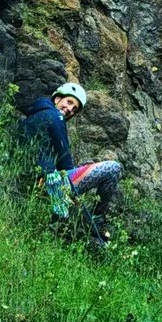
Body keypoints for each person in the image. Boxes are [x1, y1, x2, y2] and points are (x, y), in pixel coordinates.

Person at [17, 80, 121, 248]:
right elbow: (65, 162)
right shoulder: (54, 116)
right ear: (57, 98)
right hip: (48, 181)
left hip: (34, 180)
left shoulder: (33, 115)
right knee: (113, 169)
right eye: (69, 102)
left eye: (74, 109)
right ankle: (97, 221)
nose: (69, 110)